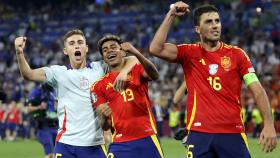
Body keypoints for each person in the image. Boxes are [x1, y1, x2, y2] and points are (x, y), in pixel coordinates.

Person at [149, 2, 277, 157]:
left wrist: (269, 124)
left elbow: (257, 90)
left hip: (232, 132)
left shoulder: (237, 55)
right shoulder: (189, 53)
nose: (215, 25)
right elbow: (155, 49)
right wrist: (171, 15)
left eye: (217, 21)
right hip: (199, 133)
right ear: (198, 29)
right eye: (209, 22)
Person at [14, 29, 137, 158]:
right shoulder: (58, 72)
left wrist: (124, 72)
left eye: (80, 42)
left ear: (86, 48)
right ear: (65, 51)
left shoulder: (100, 67)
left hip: (94, 145)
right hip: (66, 144)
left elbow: (132, 59)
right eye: (72, 43)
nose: (77, 45)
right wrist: (19, 52)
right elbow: (28, 74)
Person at [90, 35, 164, 158]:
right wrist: (104, 116)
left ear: (123, 52)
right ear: (103, 58)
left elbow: (155, 75)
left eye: (113, 47)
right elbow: (105, 126)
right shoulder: (98, 86)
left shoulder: (137, 69)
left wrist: (135, 52)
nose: (109, 50)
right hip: (119, 143)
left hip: (147, 136)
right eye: (105, 50)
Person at [27, 83, 58, 158]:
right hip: (44, 126)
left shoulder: (54, 91)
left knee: (58, 153)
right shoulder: (36, 91)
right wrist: (39, 107)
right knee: (50, 154)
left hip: (56, 125)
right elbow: (29, 108)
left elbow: (56, 105)